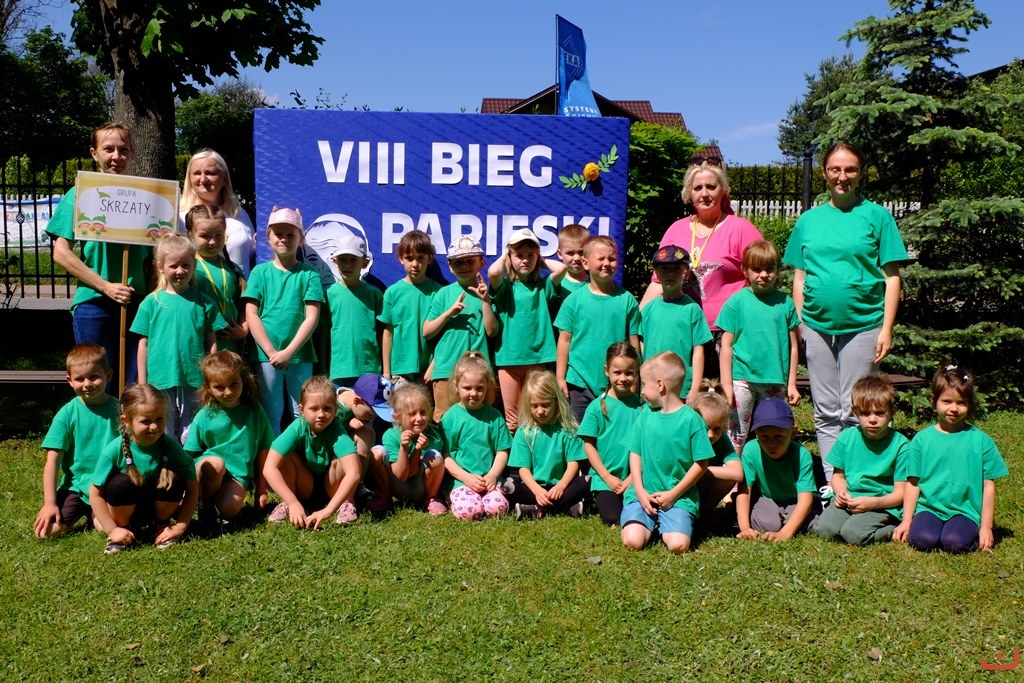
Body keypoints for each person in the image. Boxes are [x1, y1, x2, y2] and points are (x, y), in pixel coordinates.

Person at [783, 143, 909, 478]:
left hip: (864, 325)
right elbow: (800, 277)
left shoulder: (877, 217)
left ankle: (856, 480)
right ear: (825, 174)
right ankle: (831, 483)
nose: (842, 177)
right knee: (825, 411)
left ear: (860, 173)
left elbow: (892, 277)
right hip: (816, 326)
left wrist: (886, 328)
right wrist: (800, 324)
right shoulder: (809, 220)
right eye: (835, 169)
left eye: (850, 169)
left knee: (855, 410)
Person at [47, 122, 149, 392]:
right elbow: (61, 252)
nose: (116, 156)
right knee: (94, 383)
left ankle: (126, 423)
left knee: (133, 385)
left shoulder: (147, 197)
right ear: (94, 153)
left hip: (137, 302)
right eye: (108, 149)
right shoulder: (81, 194)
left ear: (132, 153)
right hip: (93, 303)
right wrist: (106, 286)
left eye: (123, 149)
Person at [640, 159, 763, 374]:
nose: (704, 194)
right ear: (689, 193)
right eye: (697, 188)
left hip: (726, 332)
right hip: (681, 326)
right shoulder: (676, 230)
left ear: (723, 190)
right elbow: (658, 282)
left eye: (711, 187)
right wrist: (637, 318)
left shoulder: (741, 229)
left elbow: (761, 277)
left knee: (721, 393)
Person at [893, 367, 1009, 553]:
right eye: (946, 401)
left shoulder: (981, 441)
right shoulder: (921, 440)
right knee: (922, 540)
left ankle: (963, 532)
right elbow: (913, 483)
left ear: (969, 404)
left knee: (955, 543)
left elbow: (988, 486)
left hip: (965, 511)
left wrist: (986, 527)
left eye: (961, 403)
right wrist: (906, 521)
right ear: (934, 400)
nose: (953, 409)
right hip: (929, 508)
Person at [131, 235, 225, 441]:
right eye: (173, 266)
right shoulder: (151, 303)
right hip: (160, 379)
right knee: (162, 428)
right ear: (160, 267)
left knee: (191, 430)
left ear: (194, 265)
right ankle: (166, 461)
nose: (180, 271)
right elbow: (143, 344)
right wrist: (142, 381)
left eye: (185, 265)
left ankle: (189, 461)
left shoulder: (204, 302)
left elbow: (211, 341)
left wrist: (212, 374)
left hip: (194, 378)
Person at [88, 384, 200, 553]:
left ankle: (161, 527)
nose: (154, 427)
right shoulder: (114, 450)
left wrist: (180, 526)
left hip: (154, 509)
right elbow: (95, 493)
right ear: (126, 421)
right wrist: (112, 529)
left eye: (159, 419)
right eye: (146, 421)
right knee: (121, 483)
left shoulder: (171, 447)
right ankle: (121, 532)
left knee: (173, 479)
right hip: (121, 511)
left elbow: (192, 488)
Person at [620, 352, 712, 554]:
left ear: (660, 385)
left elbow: (701, 464)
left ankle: (671, 523)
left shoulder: (692, 420)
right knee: (632, 541)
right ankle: (647, 521)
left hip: (678, 497)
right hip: (643, 494)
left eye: (644, 384)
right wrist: (640, 491)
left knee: (678, 546)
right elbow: (635, 453)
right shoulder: (645, 415)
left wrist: (673, 495)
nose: (641, 390)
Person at [244, 207, 325, 436]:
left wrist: (288, 352)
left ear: (301, 239)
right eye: (278, 233)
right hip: (266, 357)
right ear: (268, 236)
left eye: (291, 234)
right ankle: (274, 457)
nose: (284, 239)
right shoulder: (259, 273)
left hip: (300, 355)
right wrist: (272, 352)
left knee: (303, 412)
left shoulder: (309, 275)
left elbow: (312, 317)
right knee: (272, 412)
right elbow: (251, 314)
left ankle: (303, 455)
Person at [717, 240, 801, 453]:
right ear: (745, 270)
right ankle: (734, 471)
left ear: (777, 270)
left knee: (772, 430)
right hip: (742, 378)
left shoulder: (785, 303)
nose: (763, 275)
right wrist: (726, 384)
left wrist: (791, 384)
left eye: (769, 269)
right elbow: (726, 346)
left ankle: (767, 469)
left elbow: (793, 347)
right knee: (736, 433)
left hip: (774, 379)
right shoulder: (736, 302)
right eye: (757, 269)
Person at [34, 344, 120, 539]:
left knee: (105, 527)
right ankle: (85, 512)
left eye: (94, 377)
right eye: (80, 379)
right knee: (46, 533)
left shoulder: (119, 411)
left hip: (106, 486)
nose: (87, 384)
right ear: (70, 381)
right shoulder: (66, 414)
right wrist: (50, 504)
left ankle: (95, 516)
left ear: (108, 375)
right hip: (75, 487)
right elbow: (52, 461)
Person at [488, 228, 567, 433]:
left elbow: (561, 269)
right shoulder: (506, 287)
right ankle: (515, 455)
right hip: (509, 360)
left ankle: (532, 452)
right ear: (510, 256)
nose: (525, 260)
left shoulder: (542, 286)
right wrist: (506, 256)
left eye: (530, 255)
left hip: (537, 359)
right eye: (519, 255)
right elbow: (493, 273)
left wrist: (540, 260)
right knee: (513, 420)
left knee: (535, 416)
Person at [814, 373, 908, 545]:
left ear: (892, 411)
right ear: (855, 411)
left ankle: (893, 528)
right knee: (823, 529)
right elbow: (838, 476)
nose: (872, 420)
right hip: (850, 499)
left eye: (879, 413)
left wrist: (873, 503)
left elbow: (900, 493)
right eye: (865, 413)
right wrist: (841, 493)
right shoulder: (846, 438)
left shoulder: (901, 445)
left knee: (853, 534)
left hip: (882, 503)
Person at [554, 235, 640, 423]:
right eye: (601, 258)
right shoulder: (573, 301)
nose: (606, 263)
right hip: (579, 382)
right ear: (585, 263)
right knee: (580, 434)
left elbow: (634, 345)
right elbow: (564, 341)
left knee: (614, 431)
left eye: (612, 258)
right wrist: (560, 378)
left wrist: (635, 382)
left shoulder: (627, 300)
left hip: (617, 383)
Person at [185, 351, 273, 530]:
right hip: (207, 469)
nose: (228, 392)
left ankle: (216, 501)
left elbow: (264, 449)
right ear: (208, 388)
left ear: (243, 380)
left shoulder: (255, 411)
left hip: (237, 475)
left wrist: (261, 489)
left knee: (230, 509)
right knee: (216, 464)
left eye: (234, 384)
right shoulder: (204, 415)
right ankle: (205, 508)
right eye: (220, 387)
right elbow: (188, 455)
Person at [264, 375, 362, 529]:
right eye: (314, 408)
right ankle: (287, 504)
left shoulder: (336, 431)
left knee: (344, 459)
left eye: (327, 408)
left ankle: (346, 502)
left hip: (331, 486)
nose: (321, 414)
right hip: (304, 485)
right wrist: (292, 502)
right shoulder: (297, 428)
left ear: (336, 409)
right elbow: (269, 468)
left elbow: (354, 473)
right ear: (302, 410)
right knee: (286, 456)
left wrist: (328, 510)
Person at [423, 236, 498, 422]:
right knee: (444, 423)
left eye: (469, 261)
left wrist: (485, 301)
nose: (464, 266)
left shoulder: (488, 294)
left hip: (478, 373)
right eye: (458, 262)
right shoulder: (443, 293)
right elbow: (427, 332)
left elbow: (492, 331)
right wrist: (448, 313)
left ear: (482, 262)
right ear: (450, 266)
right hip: (445, 371)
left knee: (479, 422)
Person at [504, 370, 590, 520]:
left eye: (545, 405)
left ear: (556, 402)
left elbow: (573, 464)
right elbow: (523, 469)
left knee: (588, 480)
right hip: (533, 487)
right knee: (508, 486)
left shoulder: (569, 430)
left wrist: (561, 486)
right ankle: (566, 508)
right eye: (534, 406)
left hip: (562, 486)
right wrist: (537, 491)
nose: (540, 411)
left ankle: (536, 509)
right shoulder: (524, 433)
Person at [735, 397, 821, 542]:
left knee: (805, 522)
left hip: (795, 500)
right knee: (769, 524)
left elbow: (805, 499)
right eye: (764, 436)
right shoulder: (750, 450)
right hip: (767, 499)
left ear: (793, 433)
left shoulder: (801, 455)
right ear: (756, 434)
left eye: (778, 436)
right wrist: (745, 528)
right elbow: (745, 490)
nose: (771, 443)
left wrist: (785, 533)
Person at [441, 351, 512, 521]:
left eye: (480, 388)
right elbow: (445, 456)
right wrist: (465, 477)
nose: (474, 393)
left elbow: (502, 451)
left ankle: (483, 499)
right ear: (456, 385)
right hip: (461, 481)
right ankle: (451, 496)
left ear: (488, 387)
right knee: (470, 512)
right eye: (467, 388)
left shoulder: (494, 416)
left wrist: (493, 475)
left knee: (497, 509)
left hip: (490, 480)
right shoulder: (450, 418)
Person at [578, 342, 643, 526]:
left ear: (636, 372)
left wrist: (631, 479)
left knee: (638, 512)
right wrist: (607, 477)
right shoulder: (597, 407)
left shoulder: (642, 408)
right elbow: (588, 445)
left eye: (629, 373)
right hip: (604, 479)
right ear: (607, 371)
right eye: (617, 372)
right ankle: (590, 498)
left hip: (634, 478)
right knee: (612, 517)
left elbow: (646, 448)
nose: (623, 378)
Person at [639, 244, 712, 404]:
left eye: (677, 269)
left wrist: (695, 388)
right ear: (656, 273)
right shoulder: (648, 309)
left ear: (686, 273)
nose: (670, 274)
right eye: (664, 269)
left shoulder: (692, 309)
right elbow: (641, 346)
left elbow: (698, 350)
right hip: (650, 385)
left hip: (681, 387)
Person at [179, 149, 257, 277]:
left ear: (224, 178)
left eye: (210, 173)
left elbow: (253, 256)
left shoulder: (238, 213)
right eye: (197, 173)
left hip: (241, 287)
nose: (203, 179)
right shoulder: (180, 217)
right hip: (200, 288)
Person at [379, 230, 442, 383]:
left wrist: (435, 364)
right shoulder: (392, 293)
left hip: (430, 370)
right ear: (401, 258)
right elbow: (388, 333)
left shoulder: (439, 292)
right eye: (409, 258)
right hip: (400, 370)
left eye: (420, 258)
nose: (415, 264)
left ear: (430, 258)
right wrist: (386, 372)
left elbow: (444, 335)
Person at [186, 204, 248, 355]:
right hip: (197, 346)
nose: (212, 242)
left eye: (218, 235)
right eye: (205, 236)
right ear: (190, 235)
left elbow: (244, 305)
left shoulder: (233, 269)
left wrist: (244, 329)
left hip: (230, 350)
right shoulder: (186, 268)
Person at [324, 234, 383, 386]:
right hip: (338, 370)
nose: (347, 265)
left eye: (353, 260)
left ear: (365, 262)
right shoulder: (329, 294)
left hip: (369, 369)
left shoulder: (374, 294)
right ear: (334, 261)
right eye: (343, 260)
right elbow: (323, 336)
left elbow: (383, 334)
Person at [382, 382, 448, 515]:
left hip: (421, 488)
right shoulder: (391, 435)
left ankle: (431, 498)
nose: (419, 418)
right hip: (398, 486)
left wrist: (418, 450)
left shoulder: (433, 436)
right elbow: (401, 476)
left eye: (423, 412)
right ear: (398, 417)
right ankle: (383, 497)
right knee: (377, 452)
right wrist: (403, 447)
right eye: (412, 414)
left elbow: (412, 472)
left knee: (435, 456)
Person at [690, 380, 743, 529]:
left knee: (729, 477)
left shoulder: (722, 441)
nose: (711, 435)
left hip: (702, 483)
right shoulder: (687, 437)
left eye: (717, 429)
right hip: (681, 486)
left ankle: (705, 509)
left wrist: (702, 470)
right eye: (706, 427)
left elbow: (738, 473)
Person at [551, 224, 590, 312]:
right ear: (560, 254)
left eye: (581, 252)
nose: (577, 258)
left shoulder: (596, 282)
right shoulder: (554, 282)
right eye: (570, 253)